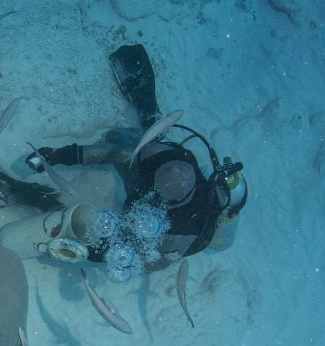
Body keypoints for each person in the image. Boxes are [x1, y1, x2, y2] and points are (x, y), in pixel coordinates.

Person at [25, 45, 247, 273]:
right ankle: (153, 124)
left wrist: (94, 253)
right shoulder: (167, 158)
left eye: (161, 198)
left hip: (153, 230)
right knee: (115, 137)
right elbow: (115, 152)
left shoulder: (182, 232)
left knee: (105, 238)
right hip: (146, 173)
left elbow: (152, 262)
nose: (154, 196)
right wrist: (61, 154)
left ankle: (40, 202)